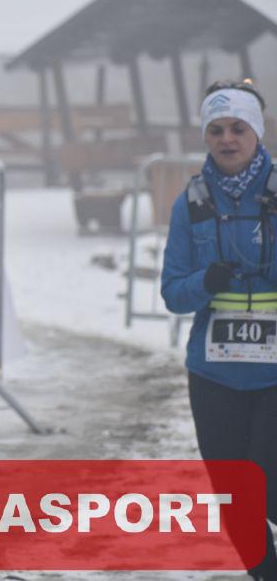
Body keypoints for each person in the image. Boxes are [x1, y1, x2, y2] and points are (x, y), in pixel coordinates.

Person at [162, 79, 277, 580]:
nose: (227, 139)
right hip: (214, 371)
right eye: (216, 130)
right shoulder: (190, 204)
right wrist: (205, 281)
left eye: (237, 128)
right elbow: (173, 293)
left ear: (257, 131)